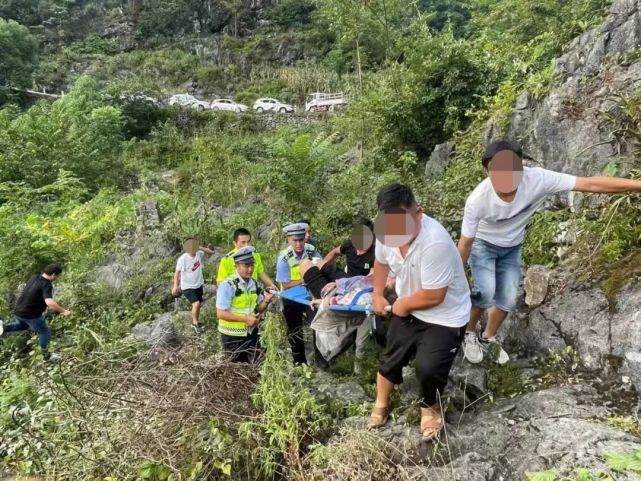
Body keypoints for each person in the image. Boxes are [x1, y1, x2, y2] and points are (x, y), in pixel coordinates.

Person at [458, 140, 641, 365]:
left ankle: (488, 337)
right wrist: (454, 280)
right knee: (485, 292)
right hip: (483, 244)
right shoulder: (477, 200)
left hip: (512, 246)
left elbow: (590, 184)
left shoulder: (538, 179)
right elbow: (466, 243)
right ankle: (468, 334)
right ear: (488, 171)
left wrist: (638, 184)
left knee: (506, 298)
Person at [368, 184, 471, 442]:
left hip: (445, 314)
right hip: (410, 302)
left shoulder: (435, 242)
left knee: (427, 367)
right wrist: (378, 294)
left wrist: (401, 305)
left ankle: (430, 408)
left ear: (418, 213)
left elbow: (435, 295)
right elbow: (380, 263)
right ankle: (381, 402)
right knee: (391, 356)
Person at [0, 264, 71, 363]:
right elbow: (50, 303)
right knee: (44, 331)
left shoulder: (35, 276)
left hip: (18, 310)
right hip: (30, 314)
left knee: (23, 325)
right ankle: (47, 356)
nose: (58, 278)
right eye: (58, 276)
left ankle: (3, 327)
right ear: (54, 274)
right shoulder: (46, 285)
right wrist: (64, 311)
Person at [216, 246, 274, 363]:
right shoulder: (228, 285)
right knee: (237, 372)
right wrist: (245, 319)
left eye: (252, 265)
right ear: (236, 266)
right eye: (246, 266)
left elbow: (258, 309)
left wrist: (266, 300)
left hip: (251, 333)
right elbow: (220, 313)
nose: (250, 269)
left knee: (258, 365)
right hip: (231, 337)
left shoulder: (254, 284)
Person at [275, 222, 322, 365]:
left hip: (310, 295)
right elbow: (285, 284)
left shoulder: (312, 251)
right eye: (295, 240)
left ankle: (320, 360)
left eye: (301, 240)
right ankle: (299, 360)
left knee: (317, 325)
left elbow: (320, 269)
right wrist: (302, 280)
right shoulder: (284, 257)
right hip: (291, 297)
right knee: (295, 329)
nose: (298, 244)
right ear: (289, 240)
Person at [172, 237, 216, 334]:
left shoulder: (199, 254)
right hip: (187, 287)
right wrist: (175, 286)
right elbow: (177, 273)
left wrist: (200, 248)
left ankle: (196, 320)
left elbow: (211, 253)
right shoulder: (183, 259)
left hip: (198, 284)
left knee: (198, 304)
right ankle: (194, 323)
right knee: (196, 304)